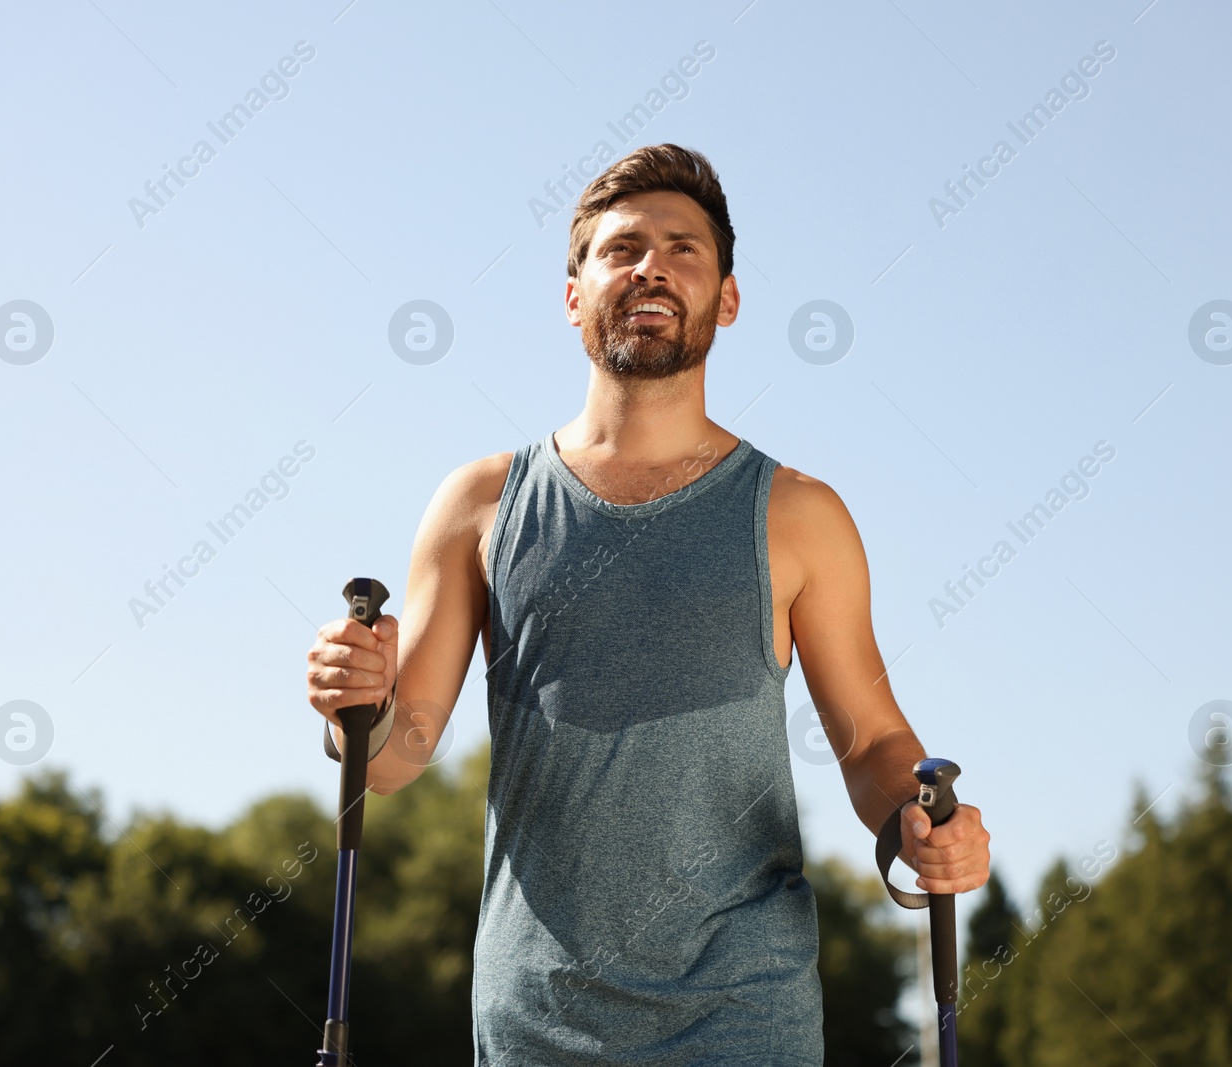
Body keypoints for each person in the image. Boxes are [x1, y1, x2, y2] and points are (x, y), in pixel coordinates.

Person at [305, 143, 991, 1065]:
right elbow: (396, 750)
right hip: (535, 1016)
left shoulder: (798, 514)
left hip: (747, 1014)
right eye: (622, 249)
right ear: (574, 295)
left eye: (684, 249)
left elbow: (870, 743)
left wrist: (926, 822)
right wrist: (356, 702)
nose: (652, 266)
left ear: (728, 298)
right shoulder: (480, 504)